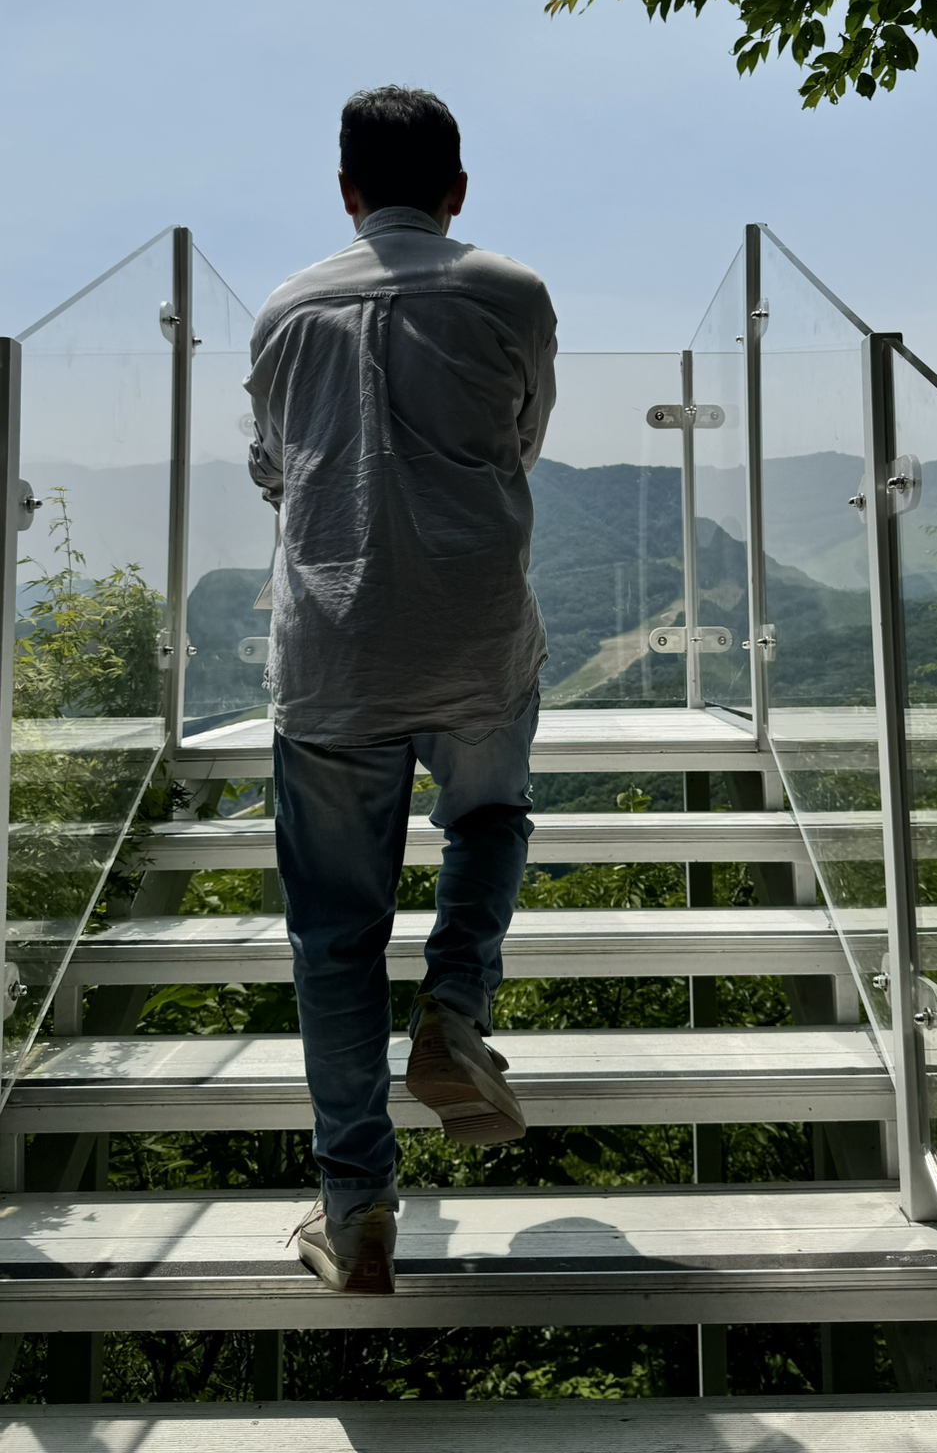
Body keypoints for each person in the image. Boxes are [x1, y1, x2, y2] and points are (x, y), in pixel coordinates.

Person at [245, 85, 557, 1295]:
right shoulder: (510, 293)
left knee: (335, 935)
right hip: (476, 634)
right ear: (456, 190)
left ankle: (356, 1208)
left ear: (346, 191)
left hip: (330, 657)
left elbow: (276, 469)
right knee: (488, 817)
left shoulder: (285, 310)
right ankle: (455, 1006)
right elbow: (520, 439)